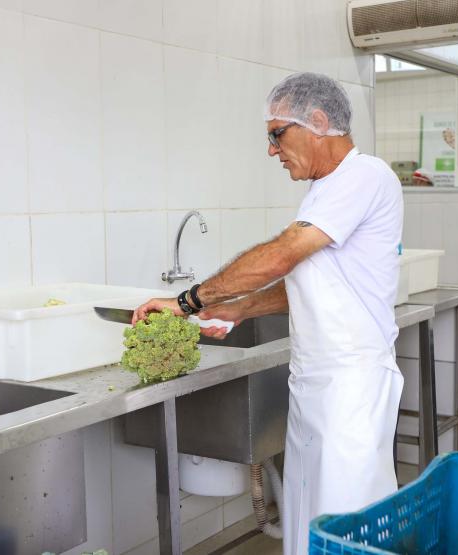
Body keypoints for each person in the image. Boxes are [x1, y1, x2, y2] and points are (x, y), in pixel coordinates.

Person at [132, 72, 404, 553]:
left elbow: (282, 256)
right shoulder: (324, 191)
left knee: (346, 528)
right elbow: (313, 284)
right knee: (306, 523)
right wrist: (239, 309)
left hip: (350, 387)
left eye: (277, 134)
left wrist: (188, 301)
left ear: (317, 122)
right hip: (317, 383)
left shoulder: (365, 176)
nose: (272, 150)